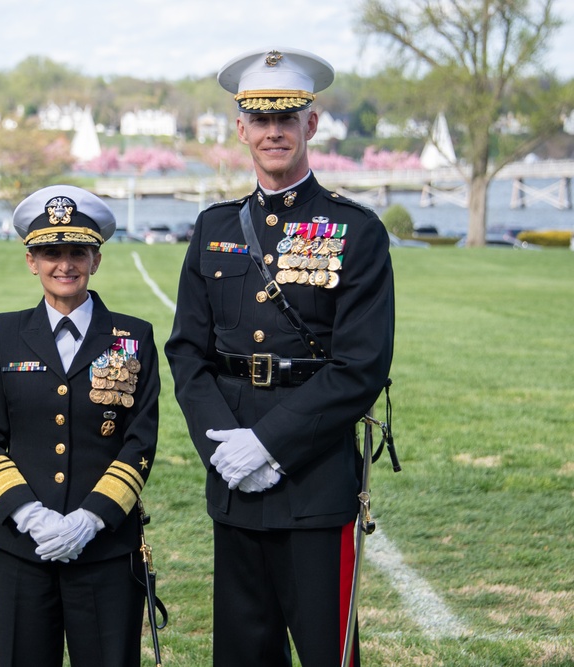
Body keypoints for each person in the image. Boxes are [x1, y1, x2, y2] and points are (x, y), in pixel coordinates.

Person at [165, 48, 395, 667]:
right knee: (243, 651)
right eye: (259, 120)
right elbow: (188, 351)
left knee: (327, 651)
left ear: (310, 125)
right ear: (240, 129)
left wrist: (269, 445)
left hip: (314, 477)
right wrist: (225, 447)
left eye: (286, 118)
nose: (273, 132)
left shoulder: (356, 231)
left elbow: (361, 366)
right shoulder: (213, 227)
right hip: (234, 477)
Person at [0, 185, 160, 667]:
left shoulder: (133, 337)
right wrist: (32, 516)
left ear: (97, 259)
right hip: (20, 546)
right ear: (31, 260)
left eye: (78, 252)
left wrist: (89, 520)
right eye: (51, 252)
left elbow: (140, 440)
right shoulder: (5, 333)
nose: (64, 264)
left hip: (106, 548)